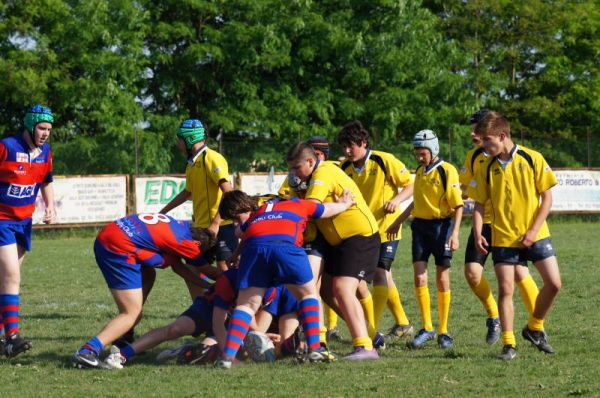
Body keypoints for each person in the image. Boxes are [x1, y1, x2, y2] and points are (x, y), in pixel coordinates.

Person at [214, 188, 355, 368]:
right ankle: (314, 349)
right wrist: (344, 204)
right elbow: (325, 210)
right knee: (308, 296)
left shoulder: (260, 211)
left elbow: (239, 233)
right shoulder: (298, 204)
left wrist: (237, 252)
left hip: (255, 249)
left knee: (246, 305)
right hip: (286, 247)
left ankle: (227, 357)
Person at [467, 111, 561, 361]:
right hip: (503, 237)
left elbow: (547, 198)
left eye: (487, 140)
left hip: (537, 234)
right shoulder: (486, 166)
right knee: (506, 289)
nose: (484, 146)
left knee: (554, 284)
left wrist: (532, 230)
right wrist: (478, 233)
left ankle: (534, 327)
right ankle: (509, 344)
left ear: (503, 135)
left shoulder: (532, 158)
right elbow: (478, 204)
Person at [72, 213, 216, 368]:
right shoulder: (188, 243)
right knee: (131, 314)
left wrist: (208, 286)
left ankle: (124, 337)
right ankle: (88, 350)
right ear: (197, 244)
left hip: (111, 234)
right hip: (117, 247)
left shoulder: (181, 226)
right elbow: (206, 270)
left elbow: (178, 267)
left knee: (148, 273)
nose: (191, 257)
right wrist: (233, 277)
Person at [287, 143, 381, 361]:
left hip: (359, 237)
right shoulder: (308, 176)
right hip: (338, 242)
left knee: (342, 288)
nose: (294, 173)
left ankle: (365, 346)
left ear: (311, 162)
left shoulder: (323, 173)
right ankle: (371, 336)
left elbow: (310, 208)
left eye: (297, 168)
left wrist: (338, 206)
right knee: (327, 290)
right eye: (291, 169)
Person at [459, 109, 539, 346]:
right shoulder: (474, 157)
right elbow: (466, 189)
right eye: (473, 131)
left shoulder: (512, 155)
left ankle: (538, 326)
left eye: (477, 130)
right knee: (472, 274)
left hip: (507, 224)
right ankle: (493, 315)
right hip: (483, 224)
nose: (474, 135)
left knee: (519, 274)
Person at [101, 268, 279, 368]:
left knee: (206, 352)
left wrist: (260, 335)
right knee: (175, 329)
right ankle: (123, 354)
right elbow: (217, 323)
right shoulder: (228, 280)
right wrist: (230, 357)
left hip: (230, 319)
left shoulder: (270, 290)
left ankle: (183, 351)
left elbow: (248, 315)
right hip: (208, 309)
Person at [338, 121, 415, 342]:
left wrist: (396, 199)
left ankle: (371, 329)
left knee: (381, 273)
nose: (347, 151)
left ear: (364, 142)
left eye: (351, 146)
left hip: (387, 228)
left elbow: (410, 185)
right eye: (344, 147)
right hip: (361, 231)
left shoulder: (383, 159)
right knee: (376, 279)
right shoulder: (345, 169)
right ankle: (402, 323)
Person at [387, 129, 463, 350]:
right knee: (420, 278)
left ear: (434, 150)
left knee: (442, 278)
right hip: (420, 227)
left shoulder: (447, 171)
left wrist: (455, 233)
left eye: (423, 154)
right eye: (417, 154)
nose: (419, 158)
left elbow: (458, 206)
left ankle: (444, 331)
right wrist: (398, 221)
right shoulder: (420, 172)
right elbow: (414, 202)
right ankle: (427, 327)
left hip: (442, 227)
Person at [0, 105, 56, 358]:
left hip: (23, 222)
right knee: (11, 275)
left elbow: (46, 180)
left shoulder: (45, 152)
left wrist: (50, 206)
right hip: (1, 220)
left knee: (7, 279)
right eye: (42, 128)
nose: (45, 134)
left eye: (49, 130)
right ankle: (11, 337)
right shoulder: (7, 147)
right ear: (31, 125)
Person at [160, 119, 236, 296]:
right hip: (201, 229)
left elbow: (228, 192)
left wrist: (216, 223)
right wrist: (161, 214)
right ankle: (199, 310)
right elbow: (187, 192)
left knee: (226, 271)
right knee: (192, 269)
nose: (178, 143)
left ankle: (234, 312)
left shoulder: (212, 158)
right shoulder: (191, 163)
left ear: (189, 139)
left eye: (179, 139)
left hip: (222, 227)